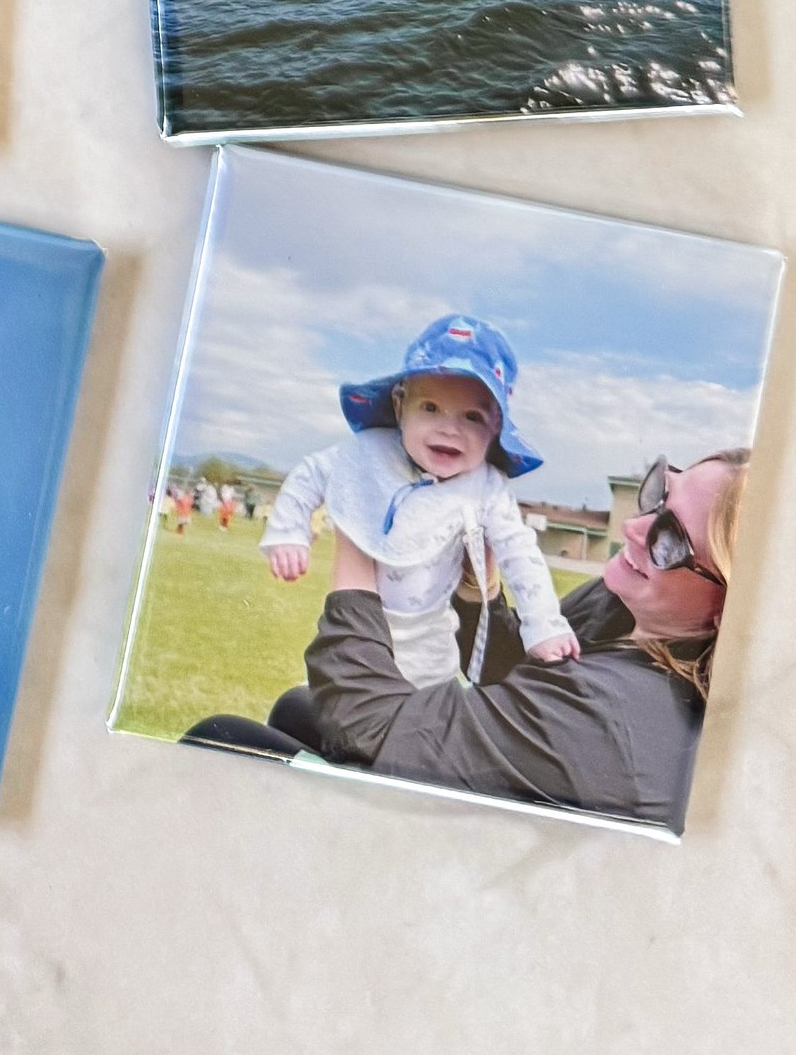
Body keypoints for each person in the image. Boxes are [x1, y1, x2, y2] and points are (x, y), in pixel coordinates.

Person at [187, 452, 750, 833]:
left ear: (730, 608)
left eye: (670, 539)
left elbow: (368, 722)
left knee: (220, 737)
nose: (636, 528)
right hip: (514, 794)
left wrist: (359, 536)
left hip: (479, 871)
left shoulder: (614, 716)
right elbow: (521, 679)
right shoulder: (627, 608)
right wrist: (477, 584)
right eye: (659, 492)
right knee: (296, 706)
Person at [259, 316, 578, 689]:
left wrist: (544, 626)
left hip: (431, 645)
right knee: (328, 704)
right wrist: (289, 532)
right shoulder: (368, 452)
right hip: (358, 627)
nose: (449, 428)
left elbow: (520, 555)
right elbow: (309, 474)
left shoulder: (487, 487)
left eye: (472, 417)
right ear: (399, 406)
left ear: (495, 428)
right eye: (430, 408)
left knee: (424, 713)